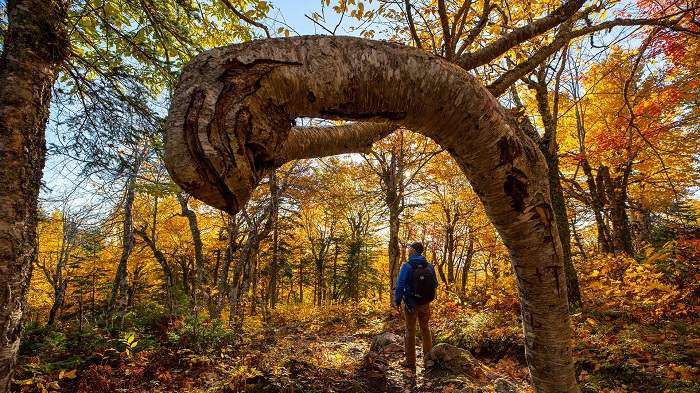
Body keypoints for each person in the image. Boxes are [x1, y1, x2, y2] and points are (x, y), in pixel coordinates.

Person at [392, 242, 439, 369]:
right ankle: (428, 359)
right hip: (425, 303)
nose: (408, 250)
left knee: (410, 331)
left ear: (413, 250)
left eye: (409, 248)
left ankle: (410, 362)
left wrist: (396, 301)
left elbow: (400, 285)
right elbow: (435, 284)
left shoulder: (407, 266)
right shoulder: (429, 266)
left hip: (410, 304)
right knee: (425, 329)